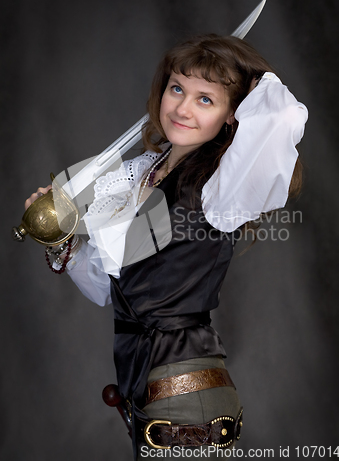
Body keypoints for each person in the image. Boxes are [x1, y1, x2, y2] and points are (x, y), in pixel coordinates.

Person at [25, 34, 307, 460]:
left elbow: (283, 116)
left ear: (232, 115)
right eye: (178, 88)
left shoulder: (219, 188)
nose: (182, 108)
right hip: (144, 384)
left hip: (186, 391)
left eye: (205, 100)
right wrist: (62, 240)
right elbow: (108, 288)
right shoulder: (141, 176)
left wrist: (251, 83)